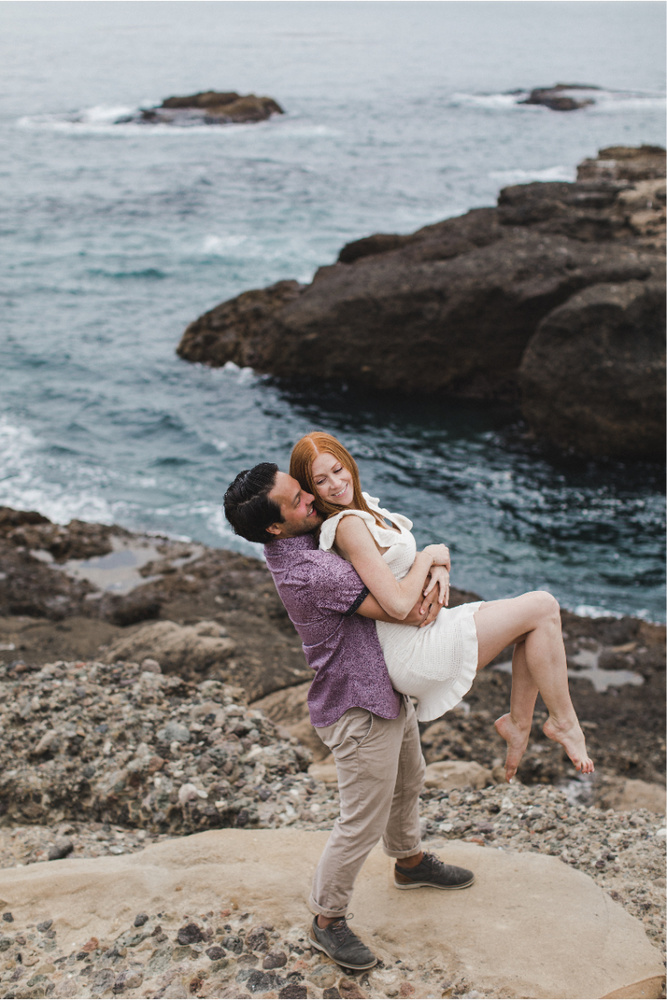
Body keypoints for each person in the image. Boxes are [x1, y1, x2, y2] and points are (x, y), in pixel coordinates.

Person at [224, 462, 475, 971]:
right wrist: (434, 555)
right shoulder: (312, 570)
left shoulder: (310, 535)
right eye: (298, 500)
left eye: (302, 490)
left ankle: (408, 862)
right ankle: (326, 920)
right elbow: (407, 609)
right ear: (275, 527)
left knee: (410, 779)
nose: (312, 500)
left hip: (384, 684)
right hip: (357, 703)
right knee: (360, 821)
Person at [290, 431, 594, 785]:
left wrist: (432, 563)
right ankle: (562, 722)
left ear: (348, 462)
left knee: (535, 623)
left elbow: (394, 568)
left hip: (426, 629)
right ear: (311, 490)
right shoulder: (348, 526)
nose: (335, 484)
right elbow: (400, 604)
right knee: (542, 607)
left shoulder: (362, 507)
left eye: (338, 470)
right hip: (412, 650)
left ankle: (519, 724)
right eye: (320, 481)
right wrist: (431, 555)